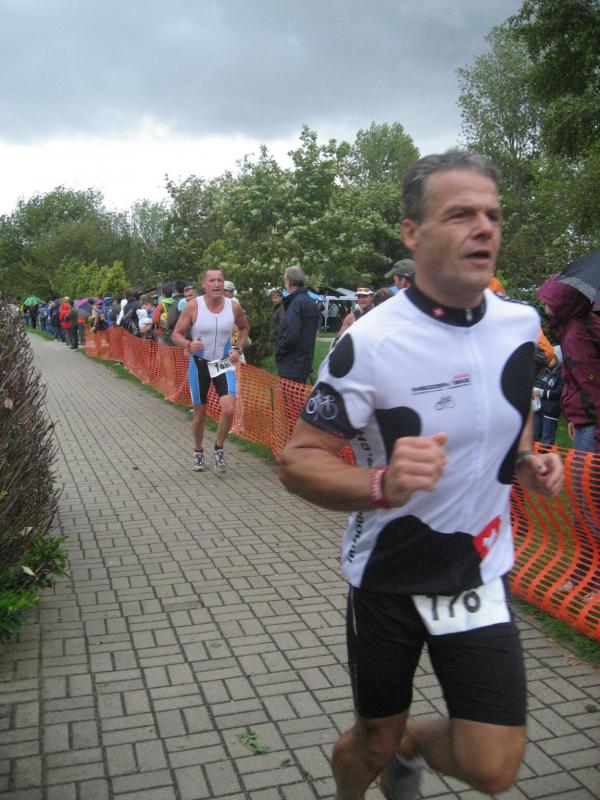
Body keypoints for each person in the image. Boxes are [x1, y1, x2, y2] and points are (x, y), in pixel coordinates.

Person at [279, 151, 563, 800]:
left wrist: (525, 460)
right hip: (391, 575)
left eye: (492, 215)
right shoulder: (370, 342)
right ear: (413, 232)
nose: (483, 228)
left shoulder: (521, 324)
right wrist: (382, 484)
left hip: (479, 568)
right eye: (461, 214)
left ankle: (410, 745)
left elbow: (509, 407)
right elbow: (298, 460)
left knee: (493, 769)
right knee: (371, 742)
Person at [172, 268, 249, 473]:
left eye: (220, 280)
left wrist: (237, 348)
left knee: (229, 409)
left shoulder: (233, 307)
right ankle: (198, 450)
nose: (216, 284)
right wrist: (189, 345)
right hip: (200, 363)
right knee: (200, 412)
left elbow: (244, 328)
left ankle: (219, 447)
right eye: (212, 280)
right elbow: (176, 334)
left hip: (222, 362)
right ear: (204, 285)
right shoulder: (193, 306)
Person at [537, 277, 600, 454]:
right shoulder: (584, 323)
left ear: (563, 302)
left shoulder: (576, 336)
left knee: (586, 472)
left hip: (592, 426)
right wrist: (576, 417)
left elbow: (591, 384)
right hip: (586, 420)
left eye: (549, 300)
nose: (545, 305)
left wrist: (589, 423)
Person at [276, 266, 320, 385]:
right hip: (304, 362)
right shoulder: (310, 302)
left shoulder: (296, 303)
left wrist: (279, 350)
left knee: (289, 397)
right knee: (298, 396)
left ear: (288, 281)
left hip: (291, 364)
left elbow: (290, 334)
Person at [532, 346, 564, 446]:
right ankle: (534, 455)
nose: (549, 359)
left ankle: (547, 455)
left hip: (550, 412)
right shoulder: (545, 371)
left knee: (547, 437)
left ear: (559, 359)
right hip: (538, 409)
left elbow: (558, 393)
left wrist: (541, 393)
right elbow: (538, 384)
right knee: (534, 435)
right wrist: (533, 390)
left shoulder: (562, 375)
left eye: (552, 357)